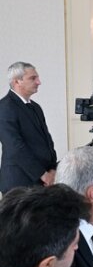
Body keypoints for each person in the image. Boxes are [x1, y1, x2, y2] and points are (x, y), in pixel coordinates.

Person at [0, 62, 58, 194]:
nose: (39, 82)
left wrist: (52, 170)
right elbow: (15, 147)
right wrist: (43, 175)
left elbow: (47, 141)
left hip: (42, 181)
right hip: (19, 183)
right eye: (33, 78)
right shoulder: (4, 107)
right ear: (17, 81)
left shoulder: (36, 107)